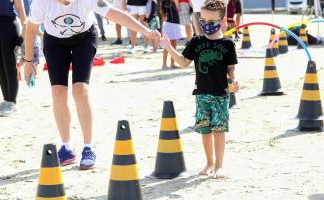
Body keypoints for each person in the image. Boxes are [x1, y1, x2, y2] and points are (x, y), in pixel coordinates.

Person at [24, 0, 160, 170]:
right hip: (55, 41)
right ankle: (66, 147)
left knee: (80, 90)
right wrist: (29, 61)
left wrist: (146, 31)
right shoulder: (41, 2)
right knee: (58, 92)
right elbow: (31, 29)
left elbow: (114, 14)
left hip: (85, 38)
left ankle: (88, 148)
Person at [159, 0, 238, 178]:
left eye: (211, 22)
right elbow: (183, 62)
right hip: (201, 94)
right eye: (202, 21)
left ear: (222, 22)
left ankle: (219, 165)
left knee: (219, 130)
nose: (206, 25)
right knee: (205, 130)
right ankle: (209, 162)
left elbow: (231, 67)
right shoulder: (196, 41)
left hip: (220, 95)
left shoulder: (227, 44)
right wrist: (168, 47)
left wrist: (235, 79)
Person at [161, 0, 182, 69]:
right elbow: (163, 13)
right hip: (169, 25)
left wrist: (176, 2)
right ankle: (164, 64)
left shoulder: (174, 2)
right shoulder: (167, 2)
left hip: (176, 24)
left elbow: (179, 10)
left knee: (174, 44)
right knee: (167, 45)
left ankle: (172, 64)